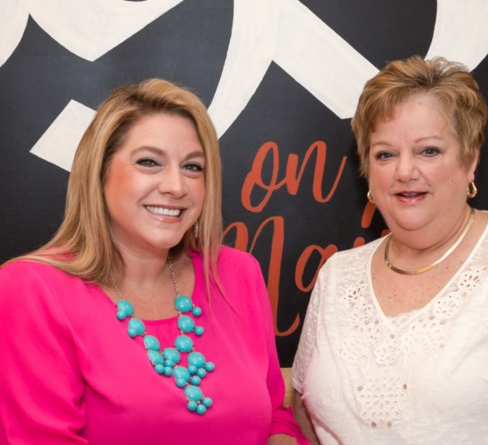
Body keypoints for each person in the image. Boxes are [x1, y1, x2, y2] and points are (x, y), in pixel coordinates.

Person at [0, 78, 307, 444]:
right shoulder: (33, 289)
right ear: (99, 174)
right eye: (149, 162)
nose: (176, 186)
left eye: (193, 167)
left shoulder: (236, 274)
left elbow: (275, 417)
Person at [291, 56, 488, 444]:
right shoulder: (337, 274)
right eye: (385, 154)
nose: (405, 171)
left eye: (428, 151)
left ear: (470, 160)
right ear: (367, 172)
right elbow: (301, 415)